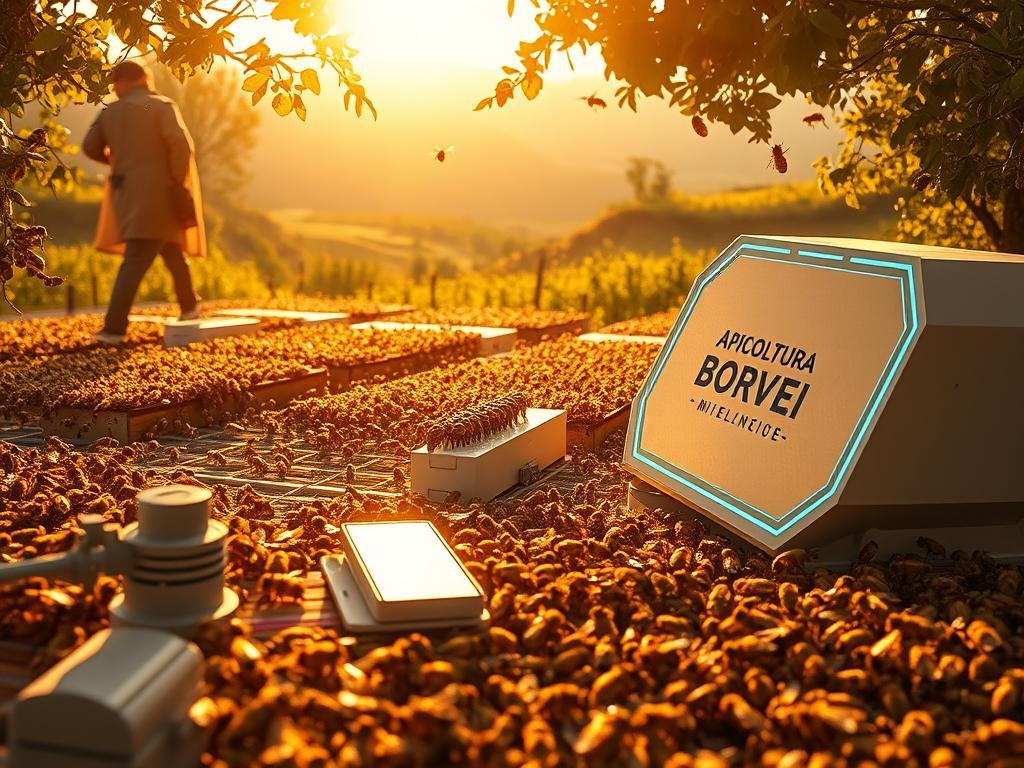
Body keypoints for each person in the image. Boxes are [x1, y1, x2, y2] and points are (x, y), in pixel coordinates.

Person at [83, 60, 207, 345]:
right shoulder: (158, 106)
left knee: (172, 251)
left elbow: (90, 147)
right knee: (139, 256)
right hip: (162, 193)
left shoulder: (109, 112)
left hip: (127, 194)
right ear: (143, 78)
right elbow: (181, 145)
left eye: (115, 83)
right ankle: (114, 329)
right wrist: (177, 180)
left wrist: (117, 160)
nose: (114, 88)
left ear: (121, 82)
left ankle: (189, 309)